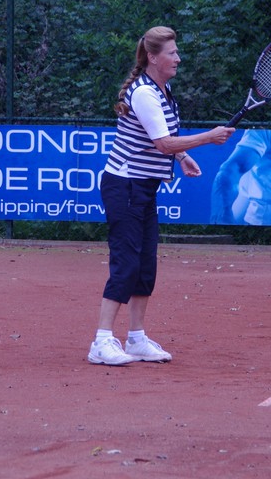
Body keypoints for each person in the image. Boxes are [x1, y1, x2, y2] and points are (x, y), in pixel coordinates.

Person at [88, 26, 234, 366]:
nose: (178, 58)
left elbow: (162, 138)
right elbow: (163, 143)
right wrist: (208, 137)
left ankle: (136, 339)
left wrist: (182, 157)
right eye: (172, 53)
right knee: (126, 263)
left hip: (144, 187)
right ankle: (102, 341)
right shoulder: (144, 93)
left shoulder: (163, 90)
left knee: (145, 266)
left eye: (176, 52)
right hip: (124, 186)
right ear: (153, 58)